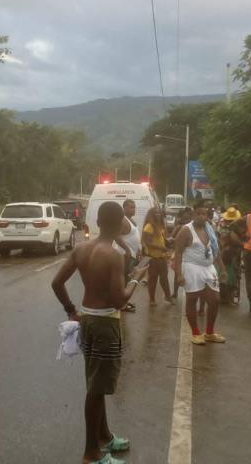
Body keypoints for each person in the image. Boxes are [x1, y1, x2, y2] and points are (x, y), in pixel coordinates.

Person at [51, 201, 139, 464]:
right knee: (96, 390)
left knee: (96, 382)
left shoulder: (82, 248)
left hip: (88, 320)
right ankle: (91, 454)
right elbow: (120, 300)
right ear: (121, 223)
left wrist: (71, 310)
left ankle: (105, 437)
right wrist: (136, 279)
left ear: (99, 222)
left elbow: (56, 283)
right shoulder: (113, 256)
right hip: (104, 324)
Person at [174, 200, 227, 345]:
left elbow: (216, 251)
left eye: (205, 214)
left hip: (208, 268)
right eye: (199, 214)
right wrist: (178, 274)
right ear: (193, 214)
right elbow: (177, 254)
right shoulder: (186, 230)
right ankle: (196, 333)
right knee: (192, 299)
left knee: (215, 300)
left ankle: (209, 332)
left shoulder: (209, 229)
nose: (202, 217)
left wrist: (222, 269)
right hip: (191, 267)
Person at [113, 199, 142, 312]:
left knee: (126, 279)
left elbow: (132, 236)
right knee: (123, 280)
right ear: (124, 208)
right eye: (131, 207)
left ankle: (123, 301)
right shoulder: (123, 220)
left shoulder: (131, 220)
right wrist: (127, 249)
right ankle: (121, 303)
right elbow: (116, 235)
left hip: (131, 255)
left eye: (134, 207)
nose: (133, 209)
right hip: (123, 255)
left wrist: (138, 249)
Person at [141, 207, 172, 305]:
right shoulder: (149, 226)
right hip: (152, 258)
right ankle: (152, 299)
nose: (158, 214)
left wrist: (168, 241)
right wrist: (161, 248)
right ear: (151, 214)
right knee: (153, 279)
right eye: (155, 213)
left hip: (162, 257)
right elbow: (148, 242)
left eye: (159, 213)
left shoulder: (160, 226)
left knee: (164, 278)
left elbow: (161, 239)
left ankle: (168, 297)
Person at [218, 206, 244, 305]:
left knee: (222, 275)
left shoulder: (221, 226)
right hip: (231, 254)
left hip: (223, 254)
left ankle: (223, 297)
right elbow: (237, 242)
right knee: (232, 276)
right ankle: (229, 298)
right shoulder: (233, 229)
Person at [169, 206, 193, 301]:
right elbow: (172, 238)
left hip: (189, 255)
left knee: (190, 275)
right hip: (179, 253)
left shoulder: (193, 228)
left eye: (188, 218)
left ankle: (189, 293)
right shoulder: (179, 227)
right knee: (177, 274)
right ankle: (175, 293)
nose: (187, 220)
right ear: (182, 218)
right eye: (185, 218)